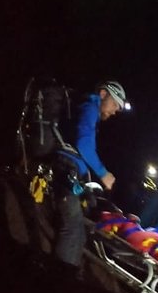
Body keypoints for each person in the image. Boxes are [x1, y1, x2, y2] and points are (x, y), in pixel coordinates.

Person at [53, 80, 128, 269]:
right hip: (65, 167)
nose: (114, 111)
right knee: (73, 227)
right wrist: (103, 174)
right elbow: (84, 145)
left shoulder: (89, 110)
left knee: (82, 224)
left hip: (72, 170)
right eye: (114, 105)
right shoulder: (90, 107)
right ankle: (60, 275)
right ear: (103, 94)